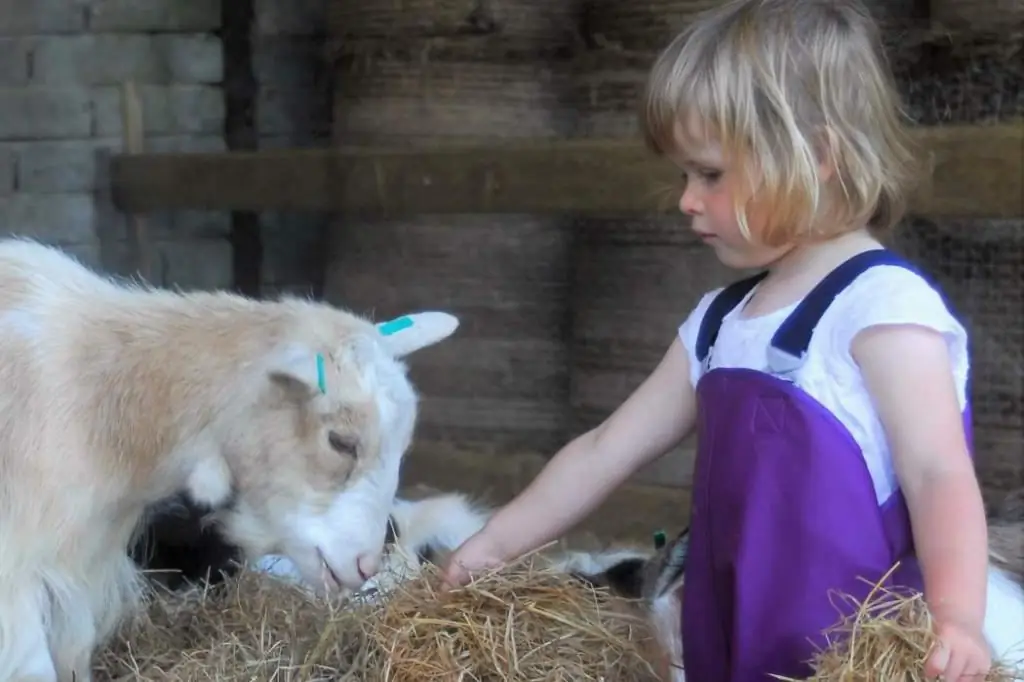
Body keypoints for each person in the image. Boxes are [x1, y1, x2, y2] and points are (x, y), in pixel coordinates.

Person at [439, 0, 994, 680]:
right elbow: (605, 449)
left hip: (850, 658)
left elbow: (938, 472)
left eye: (710, 173)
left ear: (815, 155)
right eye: (683, 175)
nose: (686, 200)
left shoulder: (882, 306)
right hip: (728, 646)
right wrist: (496, 545)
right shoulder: (717, 325)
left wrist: (958, 617)